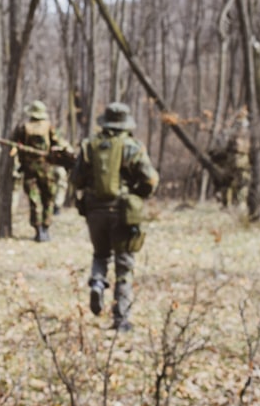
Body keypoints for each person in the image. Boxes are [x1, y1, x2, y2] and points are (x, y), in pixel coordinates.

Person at [72, 102, 158, 332]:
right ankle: (121, 319)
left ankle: (98, 283)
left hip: (94, 212)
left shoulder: (90, 146)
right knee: (124, 263)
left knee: (100, 254)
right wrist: (137, 196)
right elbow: (150, 180)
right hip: (122, 212)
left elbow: (76, 179)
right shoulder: (133, 146)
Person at [9, 100, 69, 241]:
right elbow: (59, 144)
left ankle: (38, 230)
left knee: (34, 200)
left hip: (30, 169)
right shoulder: (49, 127)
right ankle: (46, 228)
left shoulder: (24, 128)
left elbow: (14, 145)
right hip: (47, 169)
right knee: (48, 199)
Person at [225, 110, 251, 208]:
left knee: (233, 181)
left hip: (234, 157)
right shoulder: (241, 130)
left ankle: (230, 202)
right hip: (240, 157)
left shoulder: (233, 130)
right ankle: (240, 202)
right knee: (242, 181)